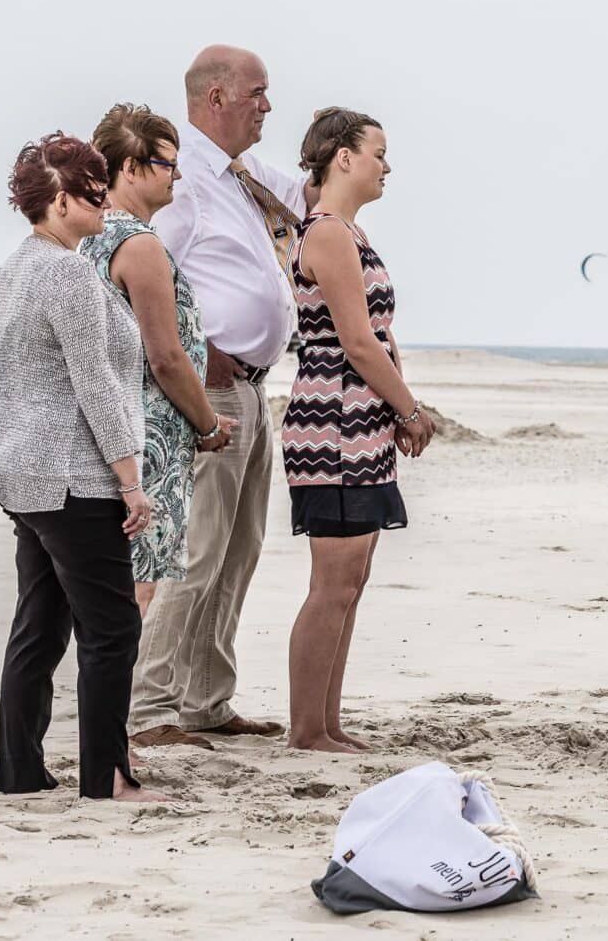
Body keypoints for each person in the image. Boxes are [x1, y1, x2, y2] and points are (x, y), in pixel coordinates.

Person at [0, 133, 171, 803]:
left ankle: (20, 773)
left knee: (40, 622)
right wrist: (131, 480)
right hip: (72, 478)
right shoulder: (68, 272)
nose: (104, 204)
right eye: (93, 194)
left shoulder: (7, 273)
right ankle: (106, 781)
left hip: (21, 475)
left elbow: (1, 383)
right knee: (112, 630)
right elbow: (96, 386)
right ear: (59, 200)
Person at [129, 45, 308, 750]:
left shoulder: (247, 176)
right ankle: (150, 705)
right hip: (212, 389)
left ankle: (207, 697)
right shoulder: (184, 180)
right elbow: (144, 273)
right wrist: (201, 357)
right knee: (196, 549)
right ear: (215, 99)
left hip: (258, 390)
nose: (266, 105)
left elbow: (311, 202)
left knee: (241, 548)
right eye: (257, 93)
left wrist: (353, 150)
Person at [283, 108, 433, 752]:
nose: (386, 165)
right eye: (378, 152)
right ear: (342, 157)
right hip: (333, 426)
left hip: (360, 423)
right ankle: (306, 730)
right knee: (332, 583)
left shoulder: (351, 231)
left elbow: (381, 336)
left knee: (353, 581)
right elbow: (357, 343)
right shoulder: (326, 235)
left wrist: (395, 406)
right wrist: (410, 409)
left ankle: (328, 723)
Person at [80, 105, 237, 623]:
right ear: (130, 167)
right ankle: (120, 705)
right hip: (150, 437)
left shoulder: (86, 238)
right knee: (136, 592)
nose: (178, 174)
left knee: (103, 588)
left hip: (102, 429)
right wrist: (208, 423)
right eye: (168, 164)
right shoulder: (139, 244)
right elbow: (166, 357)